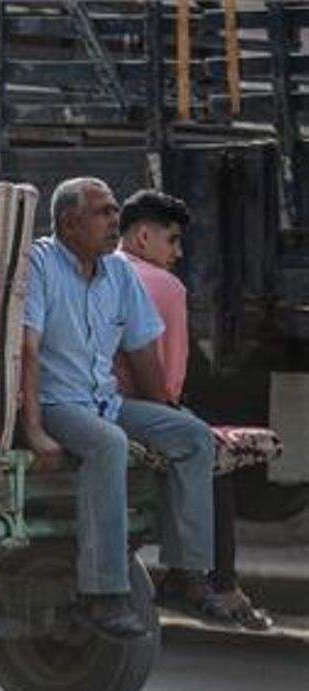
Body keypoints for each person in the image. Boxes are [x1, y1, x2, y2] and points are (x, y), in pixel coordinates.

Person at [21, 176, 220, 641]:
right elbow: (27, 352)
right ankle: (102, 592)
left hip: (104, 402)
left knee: (193, 435)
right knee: (108, 445)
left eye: (115, 211)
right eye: (104, 213)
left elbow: (144, 353)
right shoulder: (40, 264)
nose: (116, 221)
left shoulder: (120, 271)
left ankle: (185, 574)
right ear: (69, 224)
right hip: (56, 404)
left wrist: (165, 418)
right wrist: (33, 430)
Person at [114, 189, 272, 630]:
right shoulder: (164, 286)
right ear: (144, 236)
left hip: (90, 402)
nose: (179, 253)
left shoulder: (103, 271)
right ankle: (207, 579)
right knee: (209, 449)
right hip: (133, 408)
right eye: (173, 241)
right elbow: (169, 380)